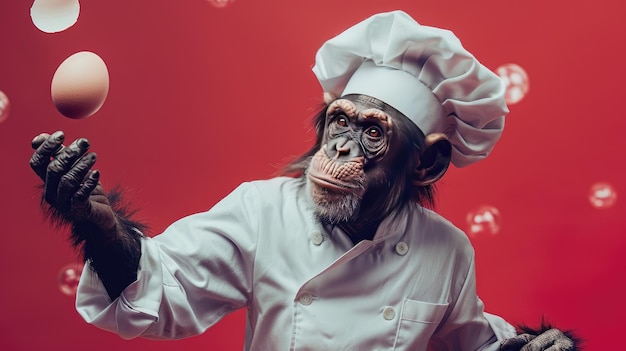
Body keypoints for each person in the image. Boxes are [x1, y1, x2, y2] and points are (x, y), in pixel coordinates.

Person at [30, 10, 578, 351]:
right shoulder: (264, 211)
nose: (338, 147)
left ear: (426, 165)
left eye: (370, 133)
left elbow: (469, 342)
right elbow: (159, 288)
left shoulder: (446, 251)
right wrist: (97, 221)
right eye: (338, 122)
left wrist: (533, 346)